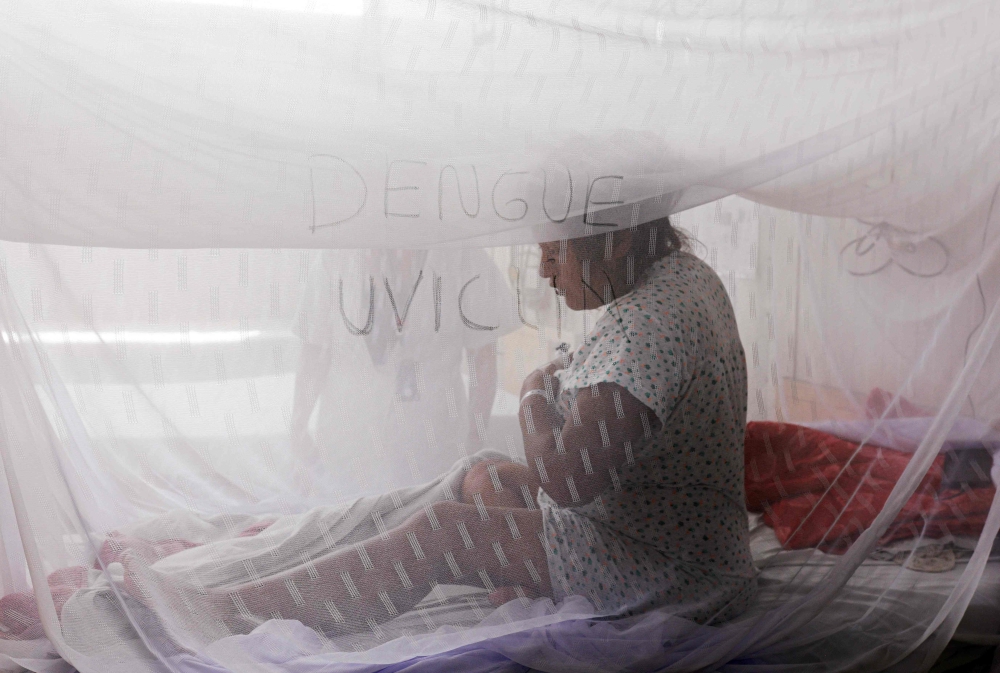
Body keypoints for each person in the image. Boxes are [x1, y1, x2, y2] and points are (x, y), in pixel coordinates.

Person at [115, 217, 755, 634]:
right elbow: (610, 437)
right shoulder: (682, 278)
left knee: (443, 532)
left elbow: (567, 480)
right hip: (656, 537)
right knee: (481, 477)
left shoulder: (650, 320)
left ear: (616, 238)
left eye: (554, 252)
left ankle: (233, 611)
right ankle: (277, 565)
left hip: (662, 570)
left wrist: (532, 393)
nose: (545, 271)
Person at [291, 248, 515, 494]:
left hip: (434, 441)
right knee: (347, 509)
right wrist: (298, 431)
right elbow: (314, 352)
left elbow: (483, 362)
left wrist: (473, 443)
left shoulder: (465, 256)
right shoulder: (335, 257)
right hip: (347, 438)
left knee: (424, 513)